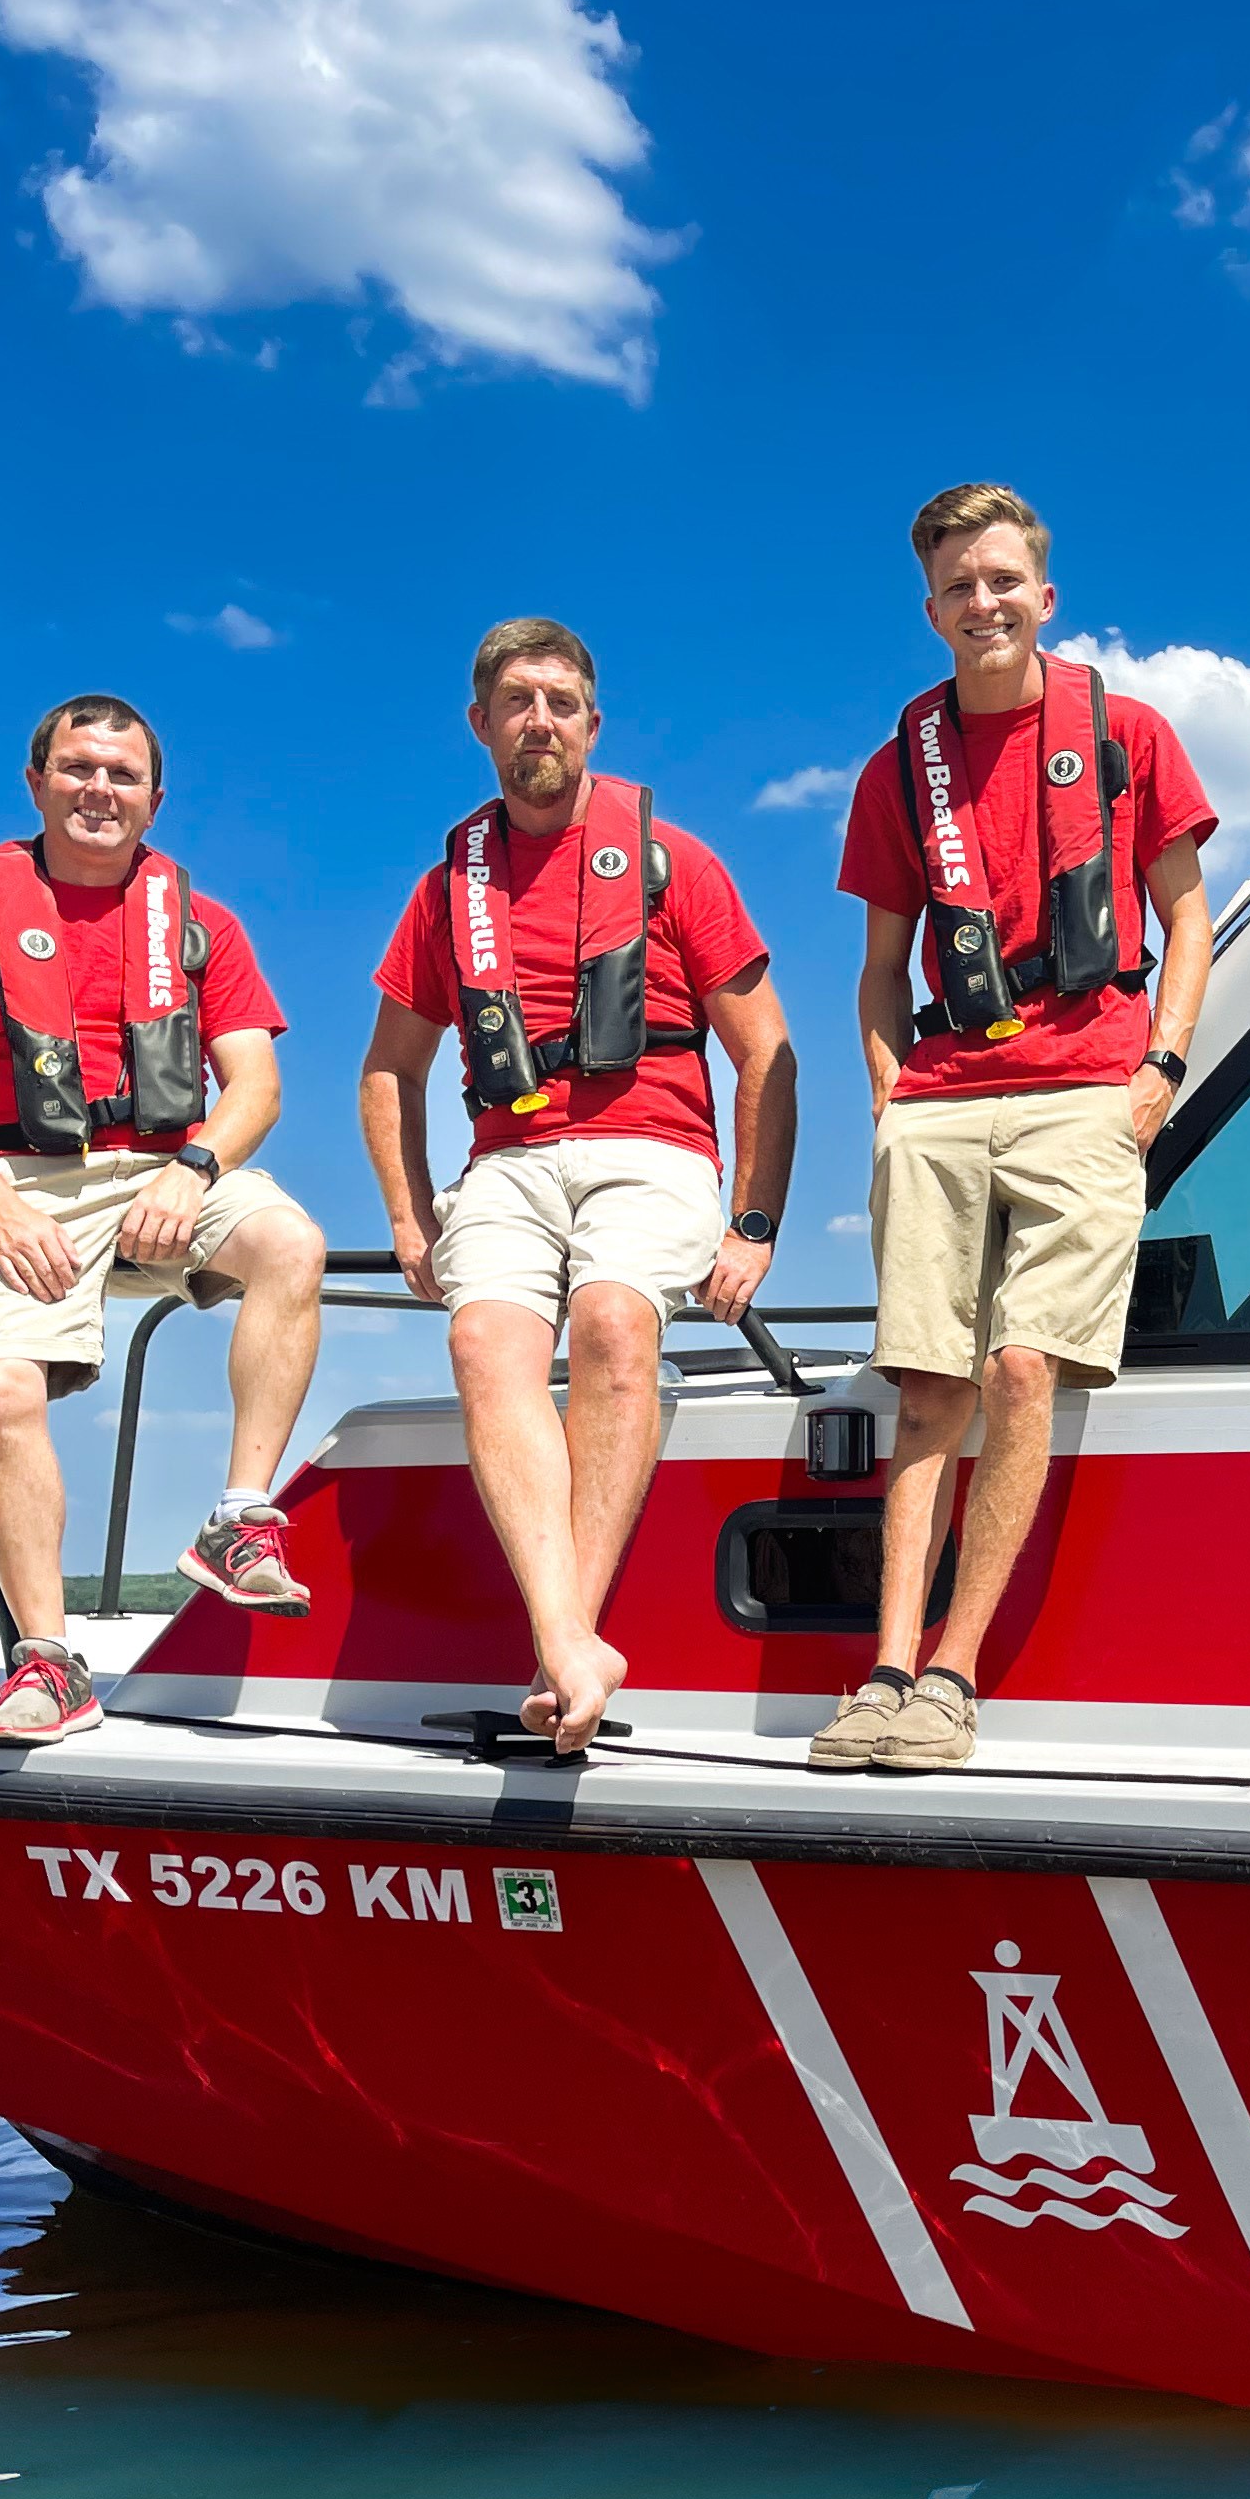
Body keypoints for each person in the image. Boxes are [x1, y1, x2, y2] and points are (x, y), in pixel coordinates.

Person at [809, 484, 1217, 1774]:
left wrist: (1158, 1070)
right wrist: (887, 1091)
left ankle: (952, 1674)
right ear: (929, 611)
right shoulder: (899, 766)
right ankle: (880, 1671)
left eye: (1001, 580)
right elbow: (879, 967)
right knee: (926, 1387)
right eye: (956, 588)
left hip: (1091, 1079)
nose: (981, 604)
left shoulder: (1129, 733)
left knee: (1023, 1369)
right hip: (941, 1099)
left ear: (1045, 593)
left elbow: (1188, 920)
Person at [359, 619, 797, 1754]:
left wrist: (753, 1224)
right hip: (505, 1161)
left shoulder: (675, 860)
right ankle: (572, 1639)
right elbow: (388, 1069)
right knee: (481, 1344)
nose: (538, 720)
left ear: (593, 724)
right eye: (517, 701)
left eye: (559, 701)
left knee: (612, 1319)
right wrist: (411, 1219)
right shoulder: (444, 888)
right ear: (482, 725)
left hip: (651, 1146)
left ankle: (566, 1630)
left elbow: (766, 1053)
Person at [0, 693, 331, 1748]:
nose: (98, 790)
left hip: (169, 1169)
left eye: (122, 776)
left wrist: (195, 1166)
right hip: (20, 1180)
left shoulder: (202, 924)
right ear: (36, 784)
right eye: (77, 769)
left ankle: (240, 1523)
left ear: (154, 801)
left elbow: (254, 1082)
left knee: (290, 1244)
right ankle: (49, 1661)